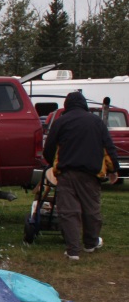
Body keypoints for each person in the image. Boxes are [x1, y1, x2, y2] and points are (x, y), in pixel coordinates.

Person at [42, 91, 120, 260]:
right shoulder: (96, 122)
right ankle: (91, 244)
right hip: (91, 174)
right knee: (91, 210)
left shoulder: (60, 122)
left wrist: (52, 163)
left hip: (66, 173)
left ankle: (73, 251)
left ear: (66, 105)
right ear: (84, 104)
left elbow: (49, 149)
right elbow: (109, 148)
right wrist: (113, 169)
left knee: (69, 212)